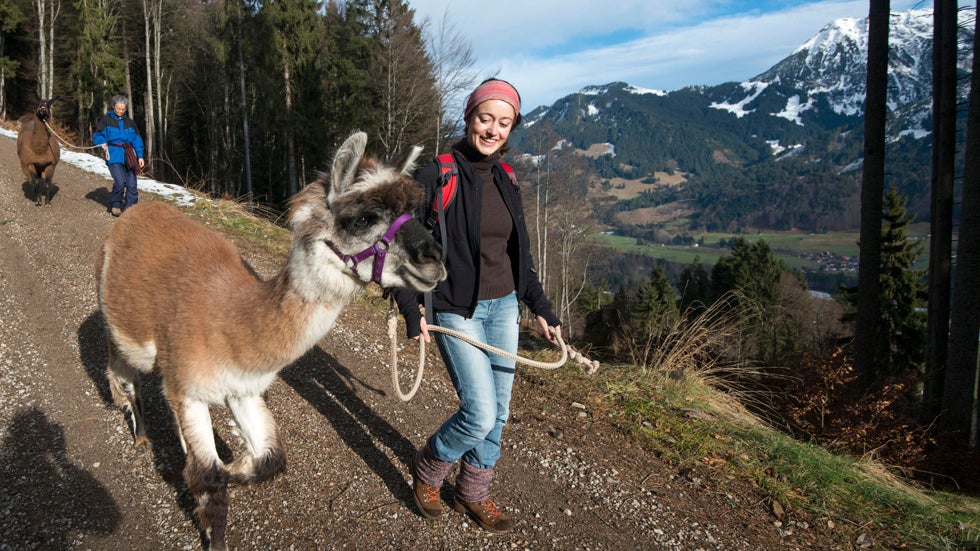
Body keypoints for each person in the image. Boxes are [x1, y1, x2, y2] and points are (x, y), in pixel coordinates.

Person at [394, 78, 562, 534]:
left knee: (500, 413)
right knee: (479, 412)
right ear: (469, 117)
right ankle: (430, 465)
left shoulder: (507, 179)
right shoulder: (438, 174)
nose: (493, 130)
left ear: (511, 129)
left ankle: (473, 492)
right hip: (454, 309)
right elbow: (400, 244)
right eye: (486, 118)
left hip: (504, 307)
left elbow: (519, 253)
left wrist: (542, 309)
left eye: (503, 123)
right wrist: (414, 311)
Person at [93, 94, 145, 217]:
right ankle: (116, 204)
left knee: (132, 184)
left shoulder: (130, 122)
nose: (120, 111)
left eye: (123, 109)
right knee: (120, 182)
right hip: (114, 154)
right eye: (118, 109)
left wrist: (140, 156)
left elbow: (136, 139)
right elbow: (98, 135)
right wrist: (102, 144)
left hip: (129, 155)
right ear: (113, 106)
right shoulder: (106, 120)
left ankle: (130, 209)